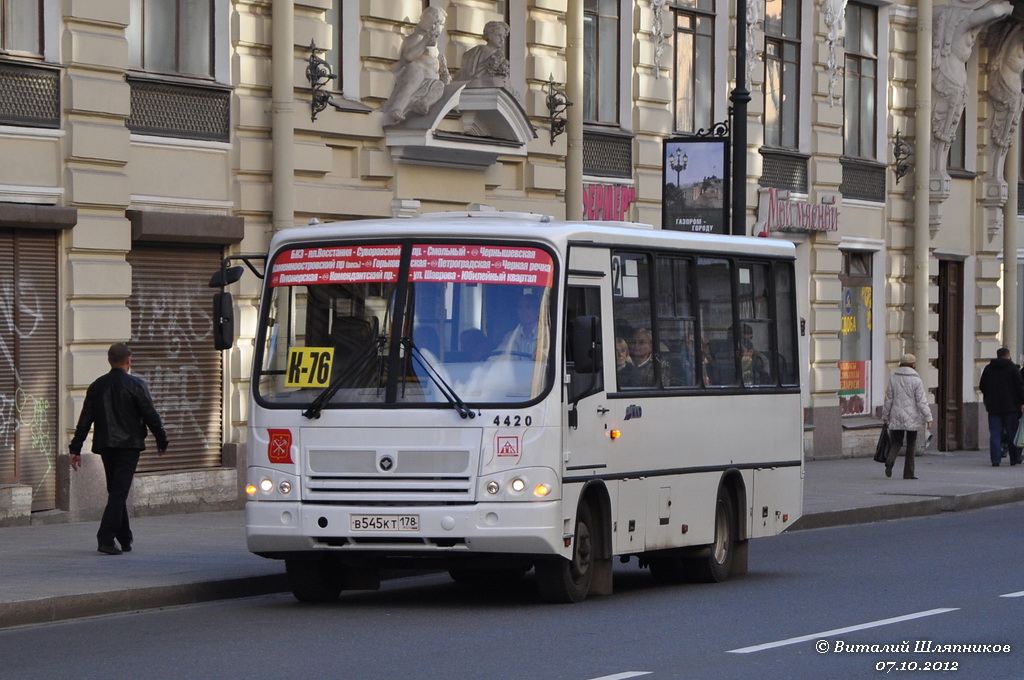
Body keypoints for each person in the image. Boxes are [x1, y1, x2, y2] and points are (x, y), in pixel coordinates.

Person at [69, 343, 168, 555]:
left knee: (116, 490)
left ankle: (125, 538)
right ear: (129, 361)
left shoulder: (97, 386)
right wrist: (162, 440)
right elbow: (151, 415)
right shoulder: (136, 385)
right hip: (129, 446)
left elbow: (84, 420)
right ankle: (105, 538)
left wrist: (75, 448)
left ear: (109, 360)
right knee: (119, 491)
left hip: (106, 445)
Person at [380, 6, 452, 126]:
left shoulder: (434, 45)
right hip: (415, 77)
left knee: (439, 87)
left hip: (429, 82)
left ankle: (422, 103)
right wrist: (424, 42)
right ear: (433, 24)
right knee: (415, 76)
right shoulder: (417, 38)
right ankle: (397, 107)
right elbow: (409, 56)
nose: (443, 27)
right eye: (441, 24)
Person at [881, 353, 933, 479]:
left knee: (896, 442)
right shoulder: (916, 380)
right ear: (913, 364)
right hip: (912, 417)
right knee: (911, 444)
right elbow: (921, 401)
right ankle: (908, 473)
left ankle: (890, 460)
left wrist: (885, 415)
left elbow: (888, 399)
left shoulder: (893, 378)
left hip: (896, 415)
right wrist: (928, 418)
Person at [979, 346, 1024, 466]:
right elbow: (1019, 387)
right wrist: (1021, 402)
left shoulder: (989, 368)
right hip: (1011, 407)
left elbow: (982, 386)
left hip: (993, 406)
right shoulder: (1013, 368)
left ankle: (995, 459)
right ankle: (1014, 458)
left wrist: (988, 398)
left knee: (995, 432)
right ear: (1008, 356)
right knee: (1011, 432)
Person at [454, 20, 510, 88]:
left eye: (504, 37)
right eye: (499, 35)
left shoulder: (500, 56)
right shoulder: (480, 51)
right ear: (489, 34)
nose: (502, 39)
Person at [498, 293, 542, 357]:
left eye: (528, 307)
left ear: (538, 310)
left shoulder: (546, 336)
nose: (523, 312)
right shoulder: (510, 337)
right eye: (520, 308)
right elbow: (497, 358)